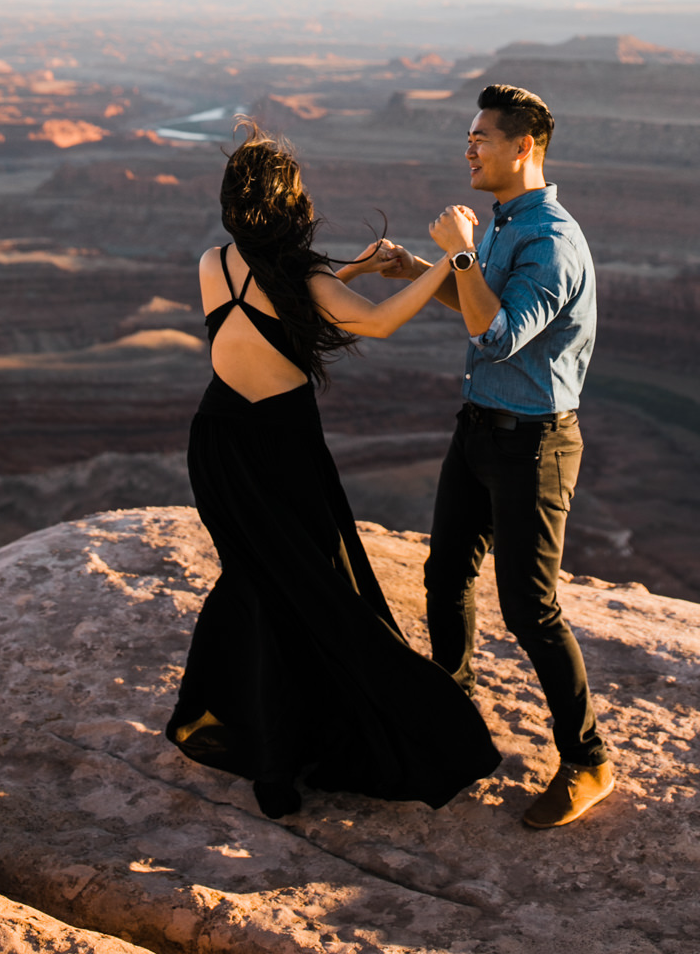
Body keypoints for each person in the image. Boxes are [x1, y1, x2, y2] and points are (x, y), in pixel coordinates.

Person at [165, 124, 500, 819]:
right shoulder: (304, 276)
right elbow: (375, 326)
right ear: (289, 204)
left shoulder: (214, 262)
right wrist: (453, 259)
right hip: (281, 450)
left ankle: (257, 739)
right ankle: (295, 756)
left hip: (219, 444)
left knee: (259, 585)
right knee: (315, 594)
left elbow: (269, 310)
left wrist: (347, 272)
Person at [393, 82, 611, 829]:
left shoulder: (549, 240)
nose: (469, 148)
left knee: (529, 608)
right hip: (481, 427)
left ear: (523, 147)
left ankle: (588, 762)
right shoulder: (504, 223)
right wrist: (416, 273)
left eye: (480, 137)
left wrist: (455, 254)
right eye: (469, 136)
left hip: (534, 445)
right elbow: (480, 306)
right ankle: (448, 720)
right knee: (445, 572)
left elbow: (497, 335)